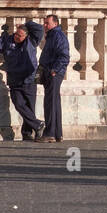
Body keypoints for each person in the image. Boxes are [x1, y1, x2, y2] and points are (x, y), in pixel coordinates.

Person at [0, 19, 44, 141]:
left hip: (29, 80)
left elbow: (39, 29)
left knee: (29, 108)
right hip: (15, 80)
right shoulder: (8, 41)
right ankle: (38, 125)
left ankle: (27, 133)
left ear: (26, 35)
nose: (16, 37)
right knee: (19, 104)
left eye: (19, 36)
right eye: (16, 34)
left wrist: (26, 23)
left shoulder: (32, 41)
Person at [38, 13, 70, 142]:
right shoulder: (52, 35)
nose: (45, 25)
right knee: (54, 102)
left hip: (54, 73)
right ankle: (57, 133)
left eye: (47, 23)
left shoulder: (57, 35)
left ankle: (50, 133)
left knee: (50, 102)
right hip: (51, 71)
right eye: (44, 23)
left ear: (55, 24)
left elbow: (64, 56)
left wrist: (54, 70)